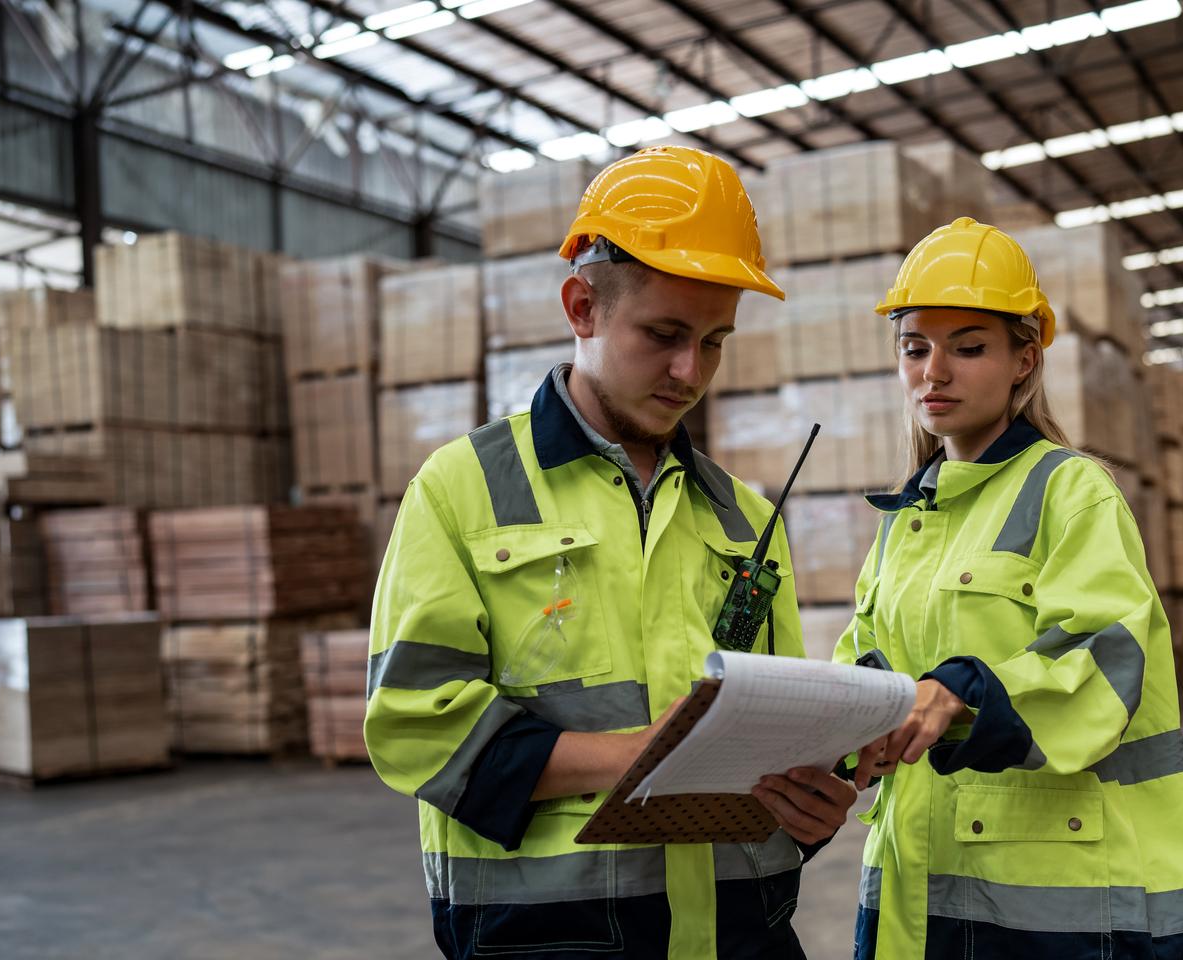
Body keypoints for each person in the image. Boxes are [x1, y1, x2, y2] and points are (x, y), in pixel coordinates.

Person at [366, 145, 856, 960]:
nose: (687, 370)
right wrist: (638, 758)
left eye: (713, 342)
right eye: (663, 334)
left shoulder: (744, 517)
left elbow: (775, 729)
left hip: (744, 928)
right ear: (582, 307)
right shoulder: (464, 488)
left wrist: (807, 805)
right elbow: (413, 724)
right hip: (550, 938)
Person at [836, 218, 1183, 959]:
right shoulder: (906, 516)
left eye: (967, 348)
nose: (933, 372)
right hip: (915, 876)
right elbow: (863, 662)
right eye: (914, 348)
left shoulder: (1070, 491)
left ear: (1022, 360)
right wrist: (840, 731)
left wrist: (960, 692)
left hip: (1050, 900)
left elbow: (1107, 662)